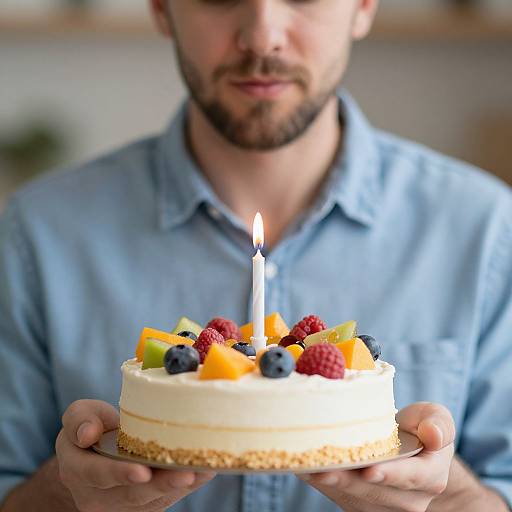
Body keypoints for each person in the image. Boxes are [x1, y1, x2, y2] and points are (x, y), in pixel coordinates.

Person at [1, 0, 511, 510]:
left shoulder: (488, 232)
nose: (263, 36)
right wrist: (67, 492)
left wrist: (450, 498)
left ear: (363, 6)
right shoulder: (34, 236)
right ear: (161, 9)